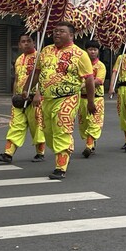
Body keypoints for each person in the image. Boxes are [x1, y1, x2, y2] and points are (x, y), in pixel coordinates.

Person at [29, 22, 96, 179]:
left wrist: (91, 102)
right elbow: (38, 74)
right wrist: (28, 91)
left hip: (68, 98)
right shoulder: (45, 51)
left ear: (71, 35)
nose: (57, 34)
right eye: (55, 31)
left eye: (61, 31)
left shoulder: (80, 55)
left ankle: (61, 166)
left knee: (61, 129)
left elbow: (89, 80)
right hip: (46, 99)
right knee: (48, 132)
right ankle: (64, 151)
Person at [0, 33, 45, 164]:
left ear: (34, 43)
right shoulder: (18, 59)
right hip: (19, 99)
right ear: (19, 44)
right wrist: (14, 95)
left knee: (37, 126)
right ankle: (8, 154)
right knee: (16, 125)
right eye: (23, 41)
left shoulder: (40, 57)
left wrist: (39, 94)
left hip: (35, 98)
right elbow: (16, 79)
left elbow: (44, 78)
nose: (26, 43)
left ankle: (40, 153)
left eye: (29, 41)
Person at [78, 40, 106, 158]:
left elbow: (99, 81)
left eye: (95, 49)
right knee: (84, 123)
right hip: (82, 98)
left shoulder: (100, 66)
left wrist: (85, 84)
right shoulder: (81, 64)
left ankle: (88, 146)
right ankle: (90, 143)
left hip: (96, 98)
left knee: (94, 122)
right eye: (90, 49)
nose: (93, 52)